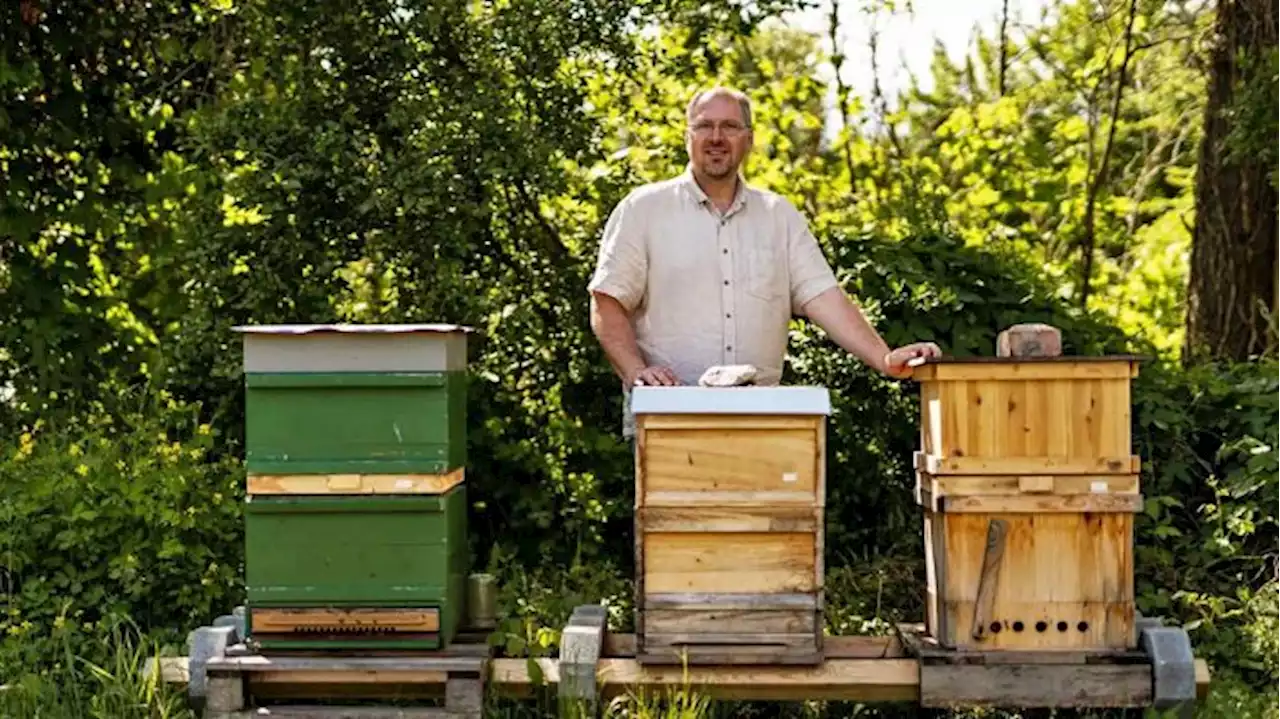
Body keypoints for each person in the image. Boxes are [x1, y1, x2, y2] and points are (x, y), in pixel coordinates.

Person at [587, 86, 941, 433]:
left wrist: (883, 358)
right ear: (687, 137)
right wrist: (636, 373)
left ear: (749, 139)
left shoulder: (779, 216)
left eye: (729, 127)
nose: (716, 137)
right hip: (668, 418)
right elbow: (607, 301)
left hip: (761, 419)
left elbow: (825, 298)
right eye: (704, 126)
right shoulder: (644, 210)